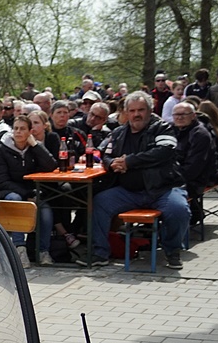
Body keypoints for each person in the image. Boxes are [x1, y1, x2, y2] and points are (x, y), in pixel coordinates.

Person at [81, 91, 189, 269]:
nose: (136, 114)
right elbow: (104, 155)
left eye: (141, 110)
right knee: (99, 202)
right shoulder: (118, 132)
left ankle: (172, 251)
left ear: (150, 110)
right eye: (132, 110)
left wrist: (129, 162)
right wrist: (112, 164)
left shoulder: (163, 128)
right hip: (130, 192)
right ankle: (99, 252)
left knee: (179, 210)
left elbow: (164, 152)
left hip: (163, 189)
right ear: (126, 112)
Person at [0, 115, 58, 266]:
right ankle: (19, 249)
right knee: (17, 201)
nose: (18, 132)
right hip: (7, 192)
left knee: (45, 210)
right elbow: (2, 181)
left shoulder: (34, 148)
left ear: (30, 132)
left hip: (31, 193)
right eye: (15, 128)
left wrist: (35, 146)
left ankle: (43, 251)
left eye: (22, 129)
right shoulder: (2, 149)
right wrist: (27, 195)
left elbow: (51, 166)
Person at [172, 102, 216, 221]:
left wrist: (167, 177)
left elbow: (193, 169)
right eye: (176, 114)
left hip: (195, 181)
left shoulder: (200, 134)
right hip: (177, 176)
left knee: (160, 194)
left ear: (193, 116)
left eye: (183, 114)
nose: (179, 117)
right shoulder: (172, 130)